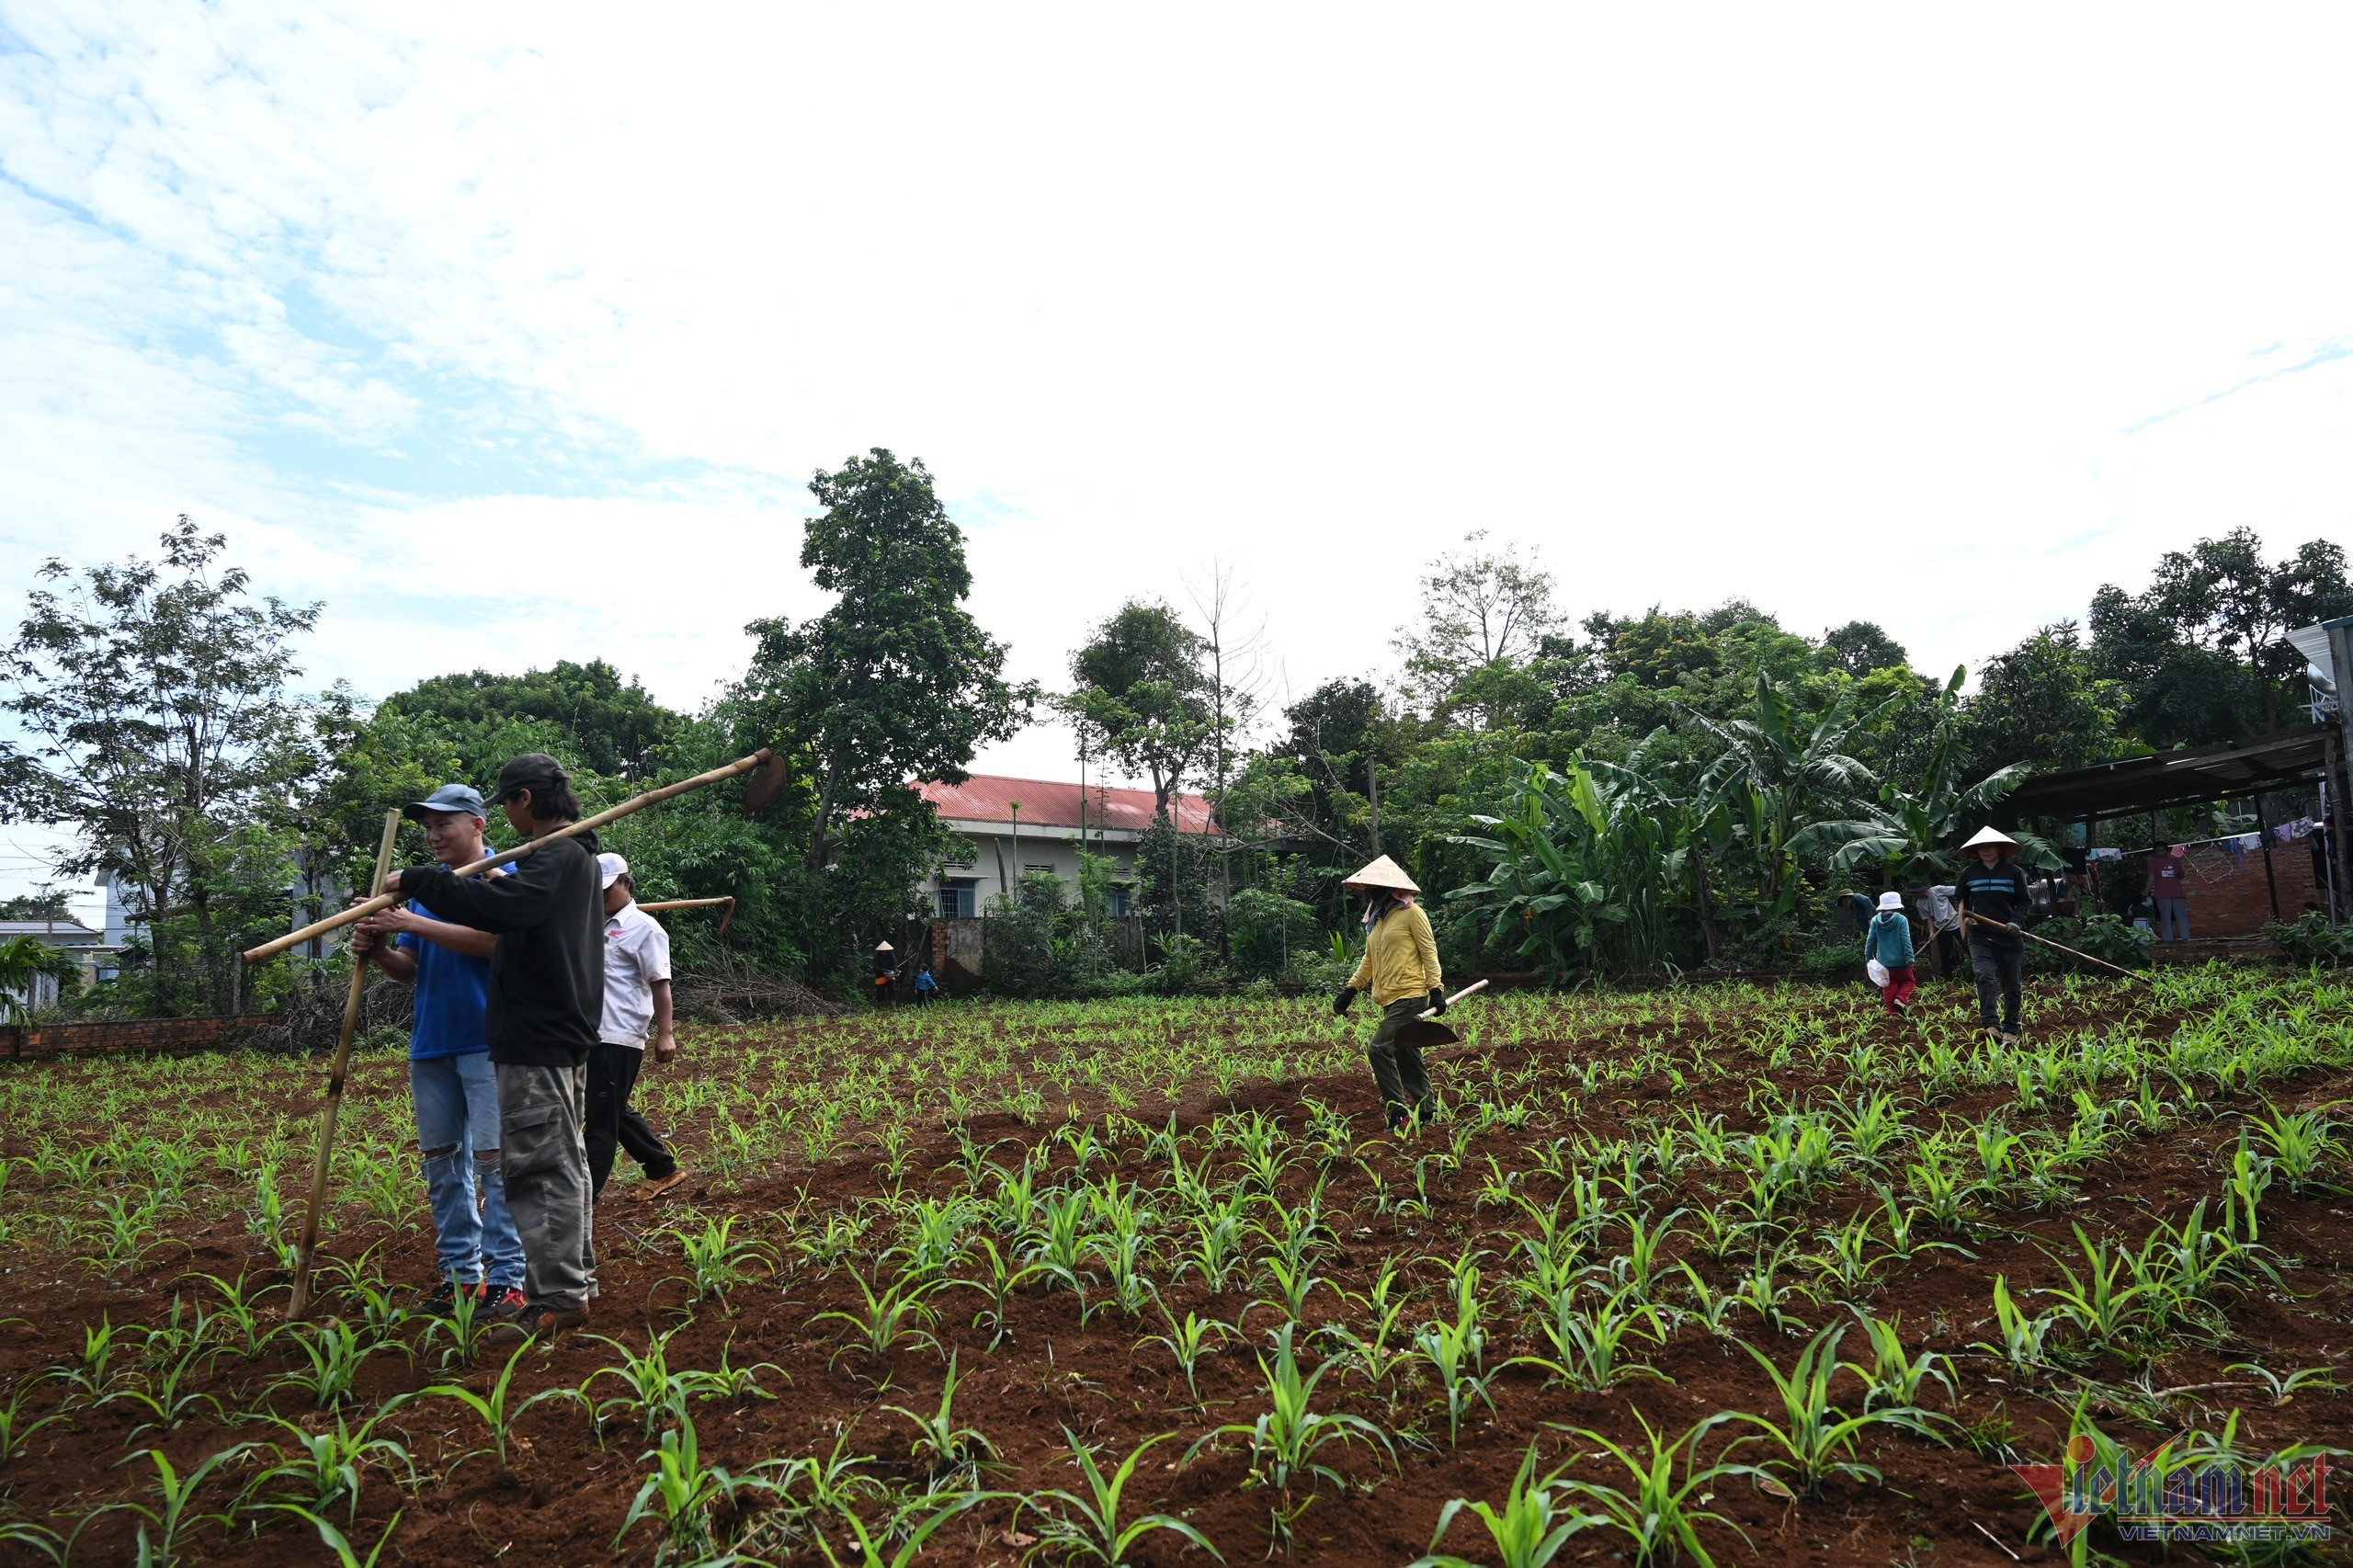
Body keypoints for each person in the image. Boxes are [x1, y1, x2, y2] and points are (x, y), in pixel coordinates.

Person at [381, 753, 604, 1338]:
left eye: (506, 802)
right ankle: (572, 1283)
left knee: (538, 1169)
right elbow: (520, 906)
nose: (506, 813)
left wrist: (422, 884)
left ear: (523, 800)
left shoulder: (556, 854)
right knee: (562, 1162)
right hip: (554, 1033)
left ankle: (555, 1296)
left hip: (536, 1037)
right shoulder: (567, 857)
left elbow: (507, 914)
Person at [349, 784, 528, 1317]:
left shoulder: (508, 877)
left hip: (489, 1040)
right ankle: (459, 1278)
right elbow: (413, 968)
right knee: (444, 1164)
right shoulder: (427, 890)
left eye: (443, 824)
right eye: (427, 827)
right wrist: (382, 949)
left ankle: (508, 1279)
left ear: (478, 824)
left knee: (497, 1164)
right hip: (432, 1042)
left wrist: (412, 920)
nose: (433, 836)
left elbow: (501, 945)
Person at [588, 854, 688, 1203]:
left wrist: (666, 1033)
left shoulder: (646, 929)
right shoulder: (591, 923)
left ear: (626, 884)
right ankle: (661, 1168)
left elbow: (660, 984)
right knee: (607, 1106)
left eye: (605, 890)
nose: (598, 896)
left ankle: (585, 1197)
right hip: (589, 1032)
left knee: (600, 1119)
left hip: (619, 1034)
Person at [1331, 855, 1446, 1134]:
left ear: (1390, 888)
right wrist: (1350, 990)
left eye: (1373, 887)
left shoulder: (1412, 914)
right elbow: (1369, 962)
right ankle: (1427, 1111)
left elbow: (1428, 953)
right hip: (1389, 998)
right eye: (1367, 888)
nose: (1369, 892)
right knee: (1407, 1054)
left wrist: (1436, 990)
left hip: (1410, 995)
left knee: (1379, 1049)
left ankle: (1399, 1114)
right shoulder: (1378, 920)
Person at [1952, 825, 2032, 1043]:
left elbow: (2025, 902)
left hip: (2009, 937)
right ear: (1975, 851)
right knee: (1985, 976)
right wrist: (1966, 918)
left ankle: (2011, 1030)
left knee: (2012, 985)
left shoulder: (2014, 873)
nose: (1985, 850)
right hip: (1979, 935)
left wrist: (2015, 922)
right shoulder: (1969, 874)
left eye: (1990, 846)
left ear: (2000, 848)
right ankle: (1991, 1025)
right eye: (1981, 847)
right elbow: (1960, 901)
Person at [1862, 891, 1916, 1017]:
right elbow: (1906, 940)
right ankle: (1901, 999)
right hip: (1901, 961)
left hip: (1884, 962)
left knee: (1888, 985)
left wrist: (1869, 957)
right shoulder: (1901, 919)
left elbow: (1870, 940)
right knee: (1909, 981)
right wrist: (1910, 958)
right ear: (1898, 905)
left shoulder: (1875, 920)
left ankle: (1892, 1011)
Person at [1911, 881, 1963, 978]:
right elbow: (1929, 918)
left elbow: (1959, 890)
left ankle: (1977, 972)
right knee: (1944, 954)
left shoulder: (1938, 890)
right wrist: (1931, 932)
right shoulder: (1920, 904)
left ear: (1919, 891)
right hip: (1941, 928)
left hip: (1955, 922)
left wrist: (1961, 906)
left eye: (1914, 893)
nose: (1914, 895)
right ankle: (1949, 980)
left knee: (1967, 946)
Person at [2151, 845, 2191, 940]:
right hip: (2162, 894)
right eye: (2158, 850)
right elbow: (2151, 877)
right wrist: (2146, 890)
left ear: (2167, 851)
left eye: (2162, 850)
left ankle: (2185, 937)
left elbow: (2182, 875)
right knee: (2165, 917)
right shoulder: (2152, 863)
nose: (2160, 852)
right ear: (2155, 852)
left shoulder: (2174, 861)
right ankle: (2168, 939)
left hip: (2177, 893)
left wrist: (2178, 873)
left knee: (2181, 916)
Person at [872, 940, 896, 1006]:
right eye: (883, 950)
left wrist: (895, 970)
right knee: (880, 993)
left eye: (886, 950)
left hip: (890, 977)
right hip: (880, 977)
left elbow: (894, 964)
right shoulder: (877, 957)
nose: (884, 951)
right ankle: (880, 1007)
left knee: (892, 992)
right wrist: (884, 970)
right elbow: (876, 967)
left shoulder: (891, 955)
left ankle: (894, 1007)